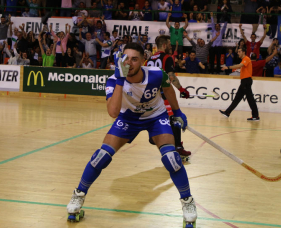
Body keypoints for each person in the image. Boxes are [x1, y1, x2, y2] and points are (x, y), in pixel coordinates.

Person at [66, 43, 197, 226]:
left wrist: (177, 112)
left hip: (155, 117)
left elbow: (168, 90)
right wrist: (120, 79)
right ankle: (78, 195)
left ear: (143, 60)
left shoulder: (158, 74)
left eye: (134, 59)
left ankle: (188, 202)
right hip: (128, 119)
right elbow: (113, 112)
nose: (129, 63)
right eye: (126, 58)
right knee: (100, 157)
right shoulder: (114, 79)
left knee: (172, 159)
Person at [146, 35, 191, 158]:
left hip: (152, 96)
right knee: (175, 119)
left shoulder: (149, 59)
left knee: (164, 119)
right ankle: (178, 147)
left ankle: (162, 139)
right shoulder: (167, 58)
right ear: (164, 45)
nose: (171, 47)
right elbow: (171, 77)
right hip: (163, 94)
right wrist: (181, 89)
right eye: (170, 45)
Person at [220, 46, 260, 121]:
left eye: (239, 51)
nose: (238, 53)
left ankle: (256, 116)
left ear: (243, 52)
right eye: (238, 52)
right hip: (244, 81)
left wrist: (228, 67)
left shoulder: (246, 59)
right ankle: (227, 112)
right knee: (238, 98)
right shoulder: (244, 59)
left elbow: (239, 66)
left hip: (246, 81)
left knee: (249, 99)